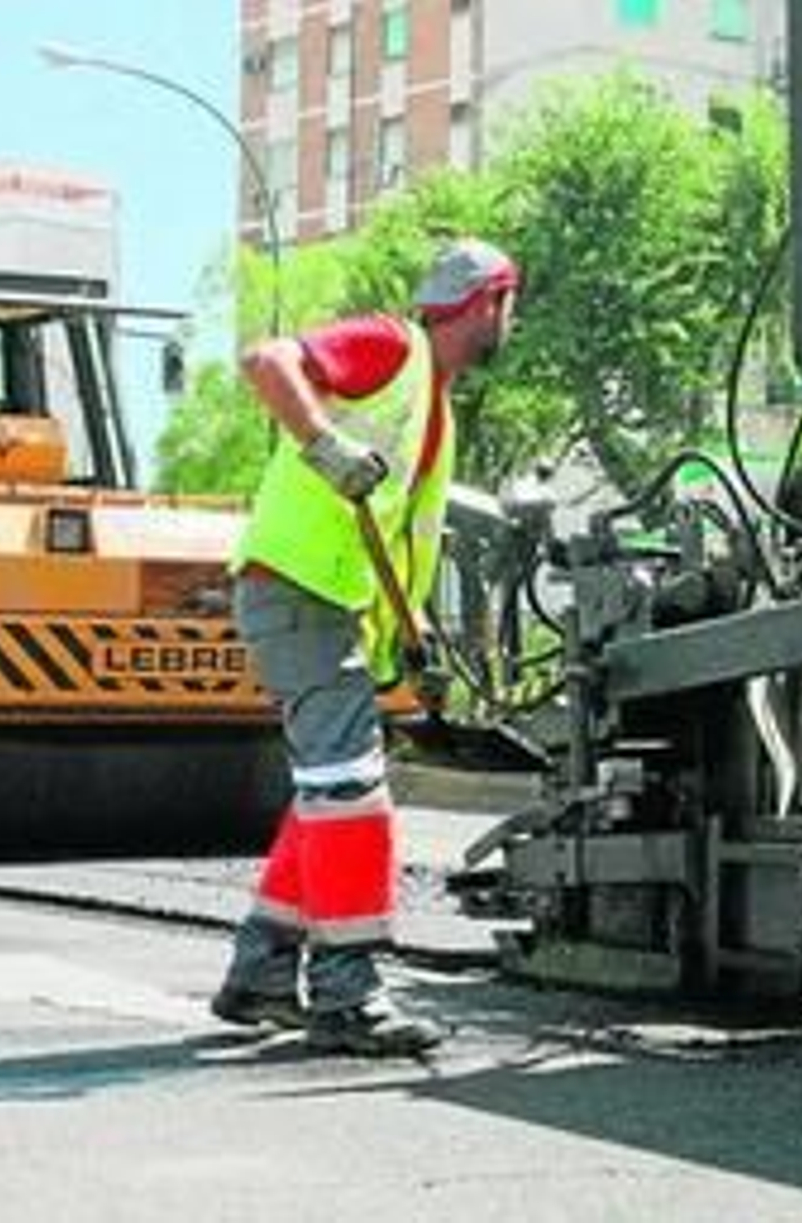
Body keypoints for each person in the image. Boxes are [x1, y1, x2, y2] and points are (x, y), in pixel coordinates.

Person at [211, 238, 521, 1057]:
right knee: (351, 788)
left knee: (329, 790)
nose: (508, 320)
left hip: (324, 602)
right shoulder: (394, 346)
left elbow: (396, 539)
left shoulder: (434, 399)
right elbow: (266, 359)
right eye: (508, 305)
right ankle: (349, 992)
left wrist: (408, 634)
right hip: (295, 588)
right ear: (490, 301)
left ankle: (262, 971)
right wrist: (324, 444)